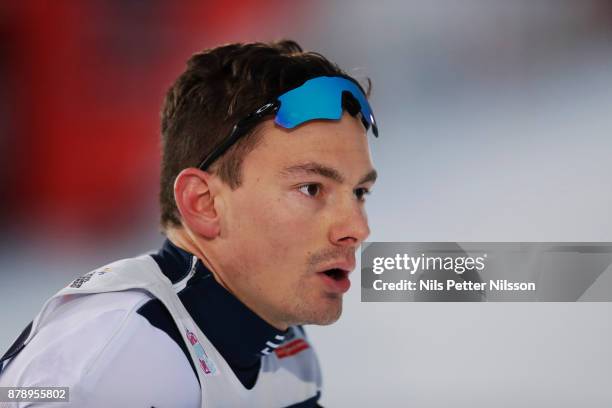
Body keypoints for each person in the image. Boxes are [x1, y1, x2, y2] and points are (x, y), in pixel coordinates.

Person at [0, 40, 378, 407]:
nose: (357, 229)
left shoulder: (285, 348)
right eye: (311, 188)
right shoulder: (123, 361)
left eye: (360, 192)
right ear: (205, 204)